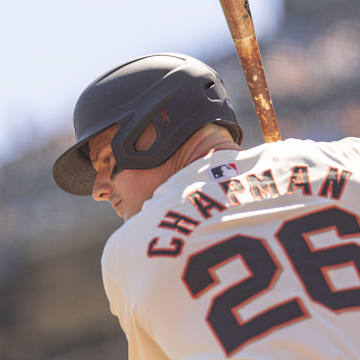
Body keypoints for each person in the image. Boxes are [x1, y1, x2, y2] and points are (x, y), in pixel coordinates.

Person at [53, 53, 360, 359]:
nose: (99, 190)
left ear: (157, 128)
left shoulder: (128, 250)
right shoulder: (347, 158)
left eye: (107, 159)